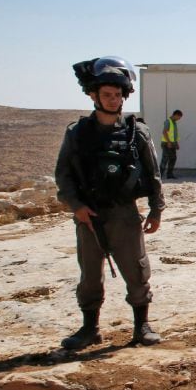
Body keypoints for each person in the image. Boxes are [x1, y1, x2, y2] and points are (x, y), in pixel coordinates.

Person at [56, 56, 165, 350]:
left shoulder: (136, 133)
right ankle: (89, 329)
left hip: (124, 213)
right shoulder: (77, 134)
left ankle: (142, 326)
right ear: (93, 95)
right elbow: (63, 175)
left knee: (137, 271)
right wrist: (76, 207)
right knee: (90, 275)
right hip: (88, 215)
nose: (114, 100)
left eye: (118, 95)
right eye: (107, 94)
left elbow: (153, 174)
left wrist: (156, 209)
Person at [159, 109, 182, 179]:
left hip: (172, 144)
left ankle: (169, 174)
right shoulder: (168, 122)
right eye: (179, 117)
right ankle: (159, 176)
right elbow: (164, 132)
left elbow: (174, 135)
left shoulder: (174, 122)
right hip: (166, 143)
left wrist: (176, 143)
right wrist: (168, 142)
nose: (179, 119)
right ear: (175, 115)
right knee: (165, 159)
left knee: (173, 158)